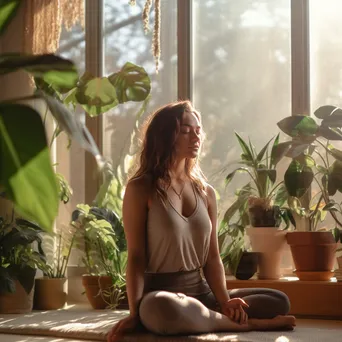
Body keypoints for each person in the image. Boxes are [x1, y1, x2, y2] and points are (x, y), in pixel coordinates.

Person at [107, 101, 295, 342]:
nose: (195, 137)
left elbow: (212, 257)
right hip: (161, 296)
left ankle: (210, 316)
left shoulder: (205, 192)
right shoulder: (141, 188)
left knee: (279, 301)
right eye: (185, 131)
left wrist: (225, 301)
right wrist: (134, 313)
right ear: (165, 136)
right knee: (158, 310)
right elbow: (135, 257)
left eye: (198, 130)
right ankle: (246, 326)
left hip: (201, 293)